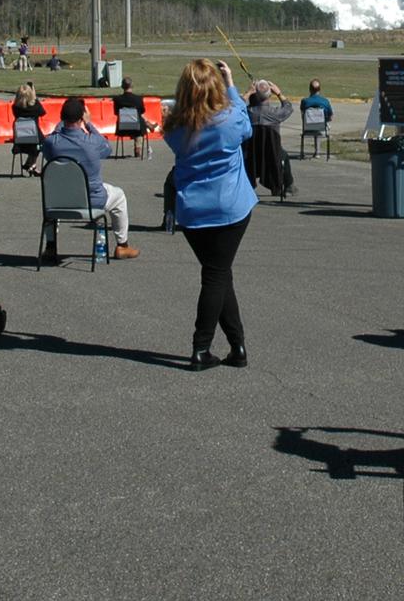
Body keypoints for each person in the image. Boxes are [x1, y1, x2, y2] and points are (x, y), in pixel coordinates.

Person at [164, 59, 257, 371]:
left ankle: (237, 345)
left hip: (193, 210)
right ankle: (201, 348)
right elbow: (245, 122)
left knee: (218, 272)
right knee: (216, 275)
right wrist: (230, 83)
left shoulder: (175, 128)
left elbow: (184, 116)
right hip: (229, 207)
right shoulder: (229, 121)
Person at [41, 97, 139, 261]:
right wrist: (89, 124)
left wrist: (62, 123)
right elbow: (107, 149)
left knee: (52, 193)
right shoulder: (92, 141)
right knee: (119, 195)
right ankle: (122, 245)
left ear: (62, 118)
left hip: (59, 200)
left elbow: (49, 143)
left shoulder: (52, 142)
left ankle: (50, 246)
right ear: (81, 118)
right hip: (91, 200)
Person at [244, 79, 296, 196]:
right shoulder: (275, 114)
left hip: (251, 155)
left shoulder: (247, 113)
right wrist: (279, 93)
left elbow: (235, 108)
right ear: (269, 95)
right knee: (284, 156)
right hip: (272, 154)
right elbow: (288, 108)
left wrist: (248, 93)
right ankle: (288, 185)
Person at [111, 77, 158, 158]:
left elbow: (116, 113)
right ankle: (138, 147)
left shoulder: (117, 99)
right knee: (138, 120)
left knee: (135, 119)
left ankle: (148, 125)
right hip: (137, 128)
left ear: (122, 86)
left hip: (122, 128)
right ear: (132, 86)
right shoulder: (138, 99)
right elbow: (142, 111)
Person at [11, 83, 46, 176]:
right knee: (41, 143)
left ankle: (30, 165)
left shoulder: (15, 108)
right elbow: (43, 112)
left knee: (36, 143)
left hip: (20, 137)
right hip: (34, 137)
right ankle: (31, 165)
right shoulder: (35, 107)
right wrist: (35, 98)